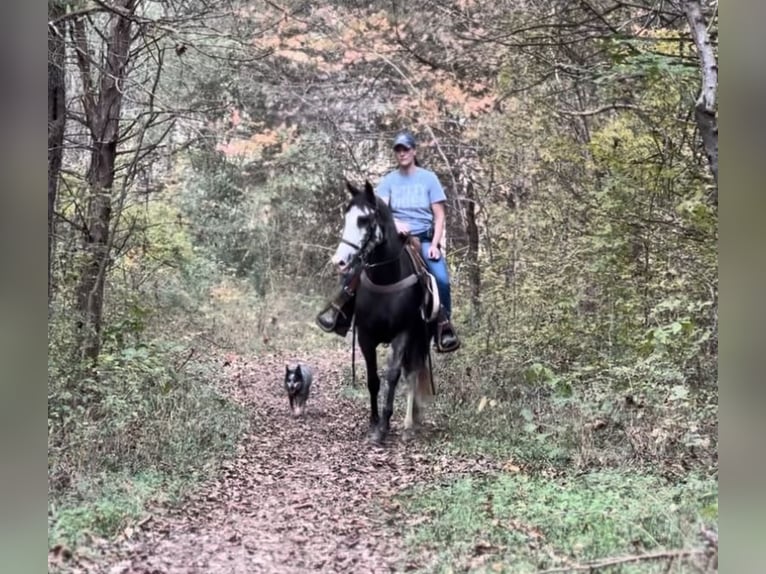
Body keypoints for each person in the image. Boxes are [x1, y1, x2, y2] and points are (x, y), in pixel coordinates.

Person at [316, 131, 460, 352]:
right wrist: (396, 222)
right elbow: (381, 210)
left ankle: (444, 326)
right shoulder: (389, 181)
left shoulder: (429, 178)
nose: (402, 153)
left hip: (422, 238)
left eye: (405, 149)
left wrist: (434, 245)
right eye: (398, 150)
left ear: (414, 151)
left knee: (440, 278)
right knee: (358, 266)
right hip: (395, 238)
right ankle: (340, 310)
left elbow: (440, 215)